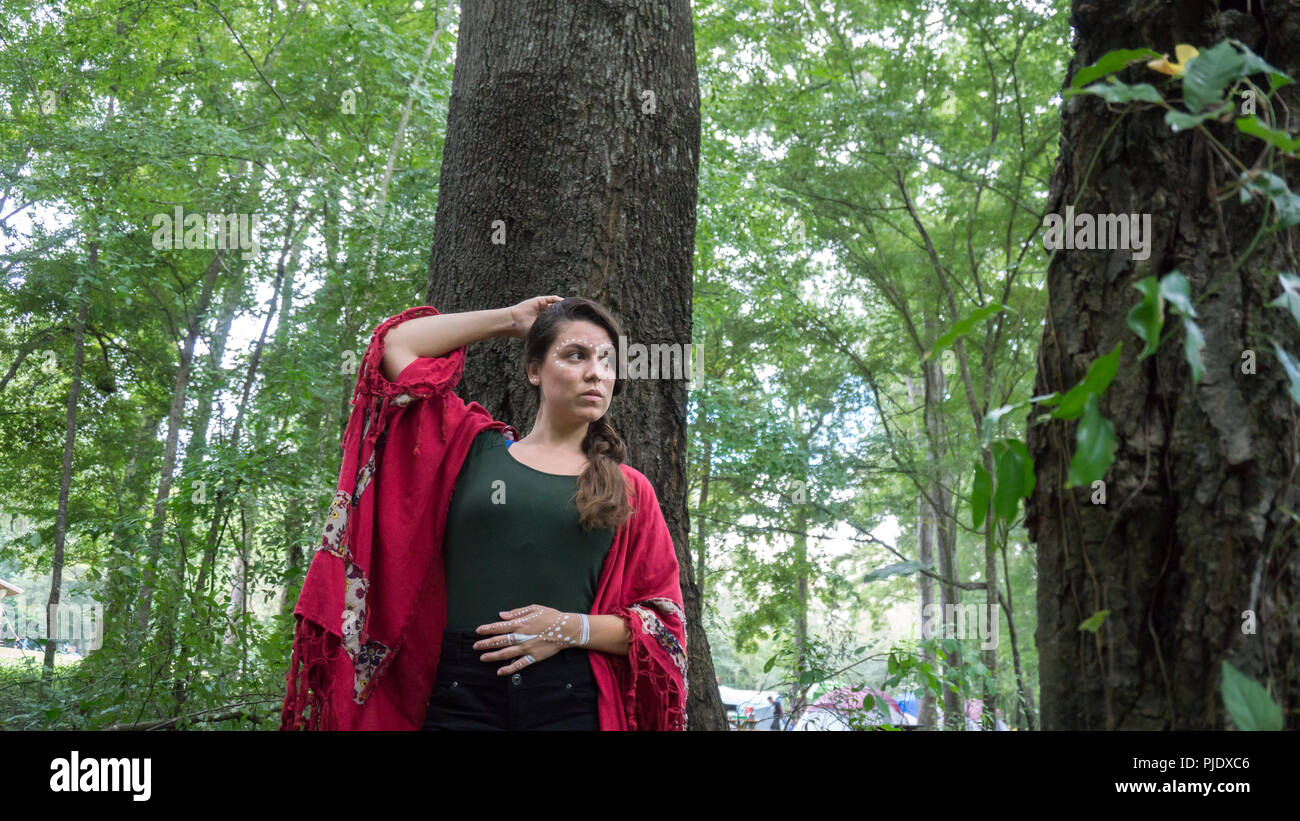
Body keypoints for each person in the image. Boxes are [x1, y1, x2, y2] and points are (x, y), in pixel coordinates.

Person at [280, 297, 688, 731]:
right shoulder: (472, 450)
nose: (595, 372)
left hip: (571, 699)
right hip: (459, 693)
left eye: (606, 361)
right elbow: (393, 348)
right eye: (575, 355)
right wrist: (510, 320)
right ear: (534, 370)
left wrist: (569, 628)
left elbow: (664, 627)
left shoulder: (629, 489)